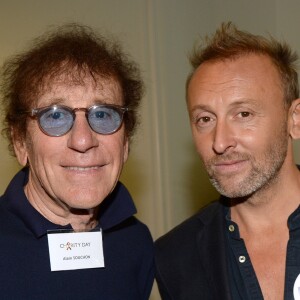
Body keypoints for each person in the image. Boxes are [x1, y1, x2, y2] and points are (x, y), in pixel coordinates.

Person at [0, 23, 154, 299]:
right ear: (20, 142)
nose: (83, 140)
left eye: (103, 114)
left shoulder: (135, 243)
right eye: (55, 116)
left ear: (126, 142)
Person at [155, 22, 300, 300]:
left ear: (293, 120)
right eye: (205, 119)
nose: (220, 142)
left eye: (243, 114)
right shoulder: (175, 257)